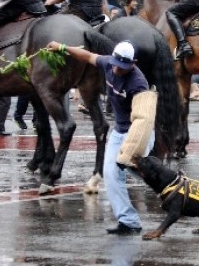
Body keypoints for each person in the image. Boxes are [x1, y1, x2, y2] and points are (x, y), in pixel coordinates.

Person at [46, 40, 156, 235]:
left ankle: (172, 187)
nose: (118, 70)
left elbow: (144, 119)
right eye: (116, 65)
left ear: (133, 63)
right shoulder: (108, 63)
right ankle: (129, 221)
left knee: (143, 172)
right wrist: (62, 47)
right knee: (112, 174)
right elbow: (87, 56)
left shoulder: (138, 83)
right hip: (119, 132)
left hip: (138, 133)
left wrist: (130, 151)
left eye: (123, 67)